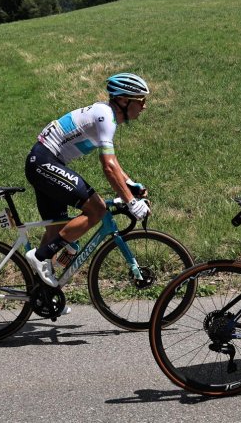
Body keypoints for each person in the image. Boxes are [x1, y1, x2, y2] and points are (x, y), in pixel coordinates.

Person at [24, 72, 151, 289]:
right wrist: (131, 202)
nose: (144, 106)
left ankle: (41, 292)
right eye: (141, 101)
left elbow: (114, 164)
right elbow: (108, 167)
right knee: (96, 209)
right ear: (123, 100)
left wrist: (129, 184)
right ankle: (40, 255)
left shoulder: (105, 114)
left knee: (58, 231)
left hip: (43, 162)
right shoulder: (106, 116)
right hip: (45, 161)